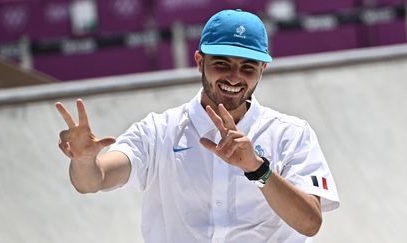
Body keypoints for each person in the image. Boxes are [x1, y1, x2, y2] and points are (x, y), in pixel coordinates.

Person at [56, 9, 339, 243]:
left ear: (262, 70)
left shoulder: (291, 133)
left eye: (248, 68)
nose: (233, 77)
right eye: (222, 63)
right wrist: (84, 160)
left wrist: (258, 168)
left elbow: (310, 223)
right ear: (199, 61)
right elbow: (95, 179)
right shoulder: (159, 130)